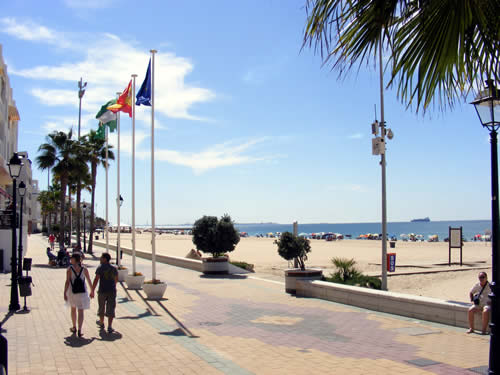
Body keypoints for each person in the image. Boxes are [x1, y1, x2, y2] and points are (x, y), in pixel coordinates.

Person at [64, 254, 92, 337]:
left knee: (73, 309)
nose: (70, 259)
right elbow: (88, 279)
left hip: (72, 292)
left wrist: (64, 293)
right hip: (82, 292)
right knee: (81, 311)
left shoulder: (69, 269)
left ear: (74, 259)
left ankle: (74, 327)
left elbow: (67, 282)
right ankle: (80, 329)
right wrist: (92, 290)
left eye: (71, 258)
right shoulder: (84, 269)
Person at [91, 253, 118, 333]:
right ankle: (109, 326)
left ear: (105, 259)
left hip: (102, 290)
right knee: (111, 308)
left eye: (101, 258)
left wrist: (92, 289)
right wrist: (113, 286)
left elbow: (96, 279)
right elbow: (116, 279)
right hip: (112, 291)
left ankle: (102, 323)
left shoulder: (100, 267)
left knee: (101, 307)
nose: (100, 259)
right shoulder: (114, 268)